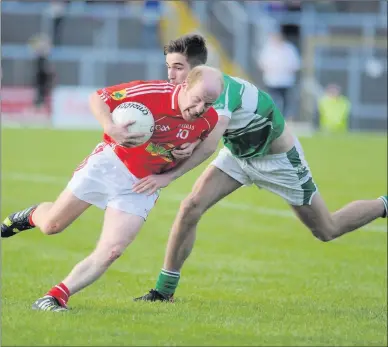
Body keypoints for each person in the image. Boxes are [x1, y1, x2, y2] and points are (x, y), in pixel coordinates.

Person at [132, 34, 387, 302]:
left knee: (327, 229)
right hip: (239, 155)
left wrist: (169, 175)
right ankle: (164, 291)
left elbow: (208, 146)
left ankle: (384, 204)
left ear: (195, 69)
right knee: (190, 207)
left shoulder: (218, 91)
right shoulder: (191, 92)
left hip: (278, 160)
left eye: (177, 67)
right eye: (168, 67)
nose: (170, 75)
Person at [1, 65, 224, 311]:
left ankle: (54, 297)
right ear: (185, 86)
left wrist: (171, 173)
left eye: (208, 103)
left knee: (112, 250)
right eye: (197, 100)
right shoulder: (152, 92)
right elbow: (99, 97)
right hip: (109, 164)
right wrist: (110, 127)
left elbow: (204, 147)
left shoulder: (209, 119)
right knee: (52, 225)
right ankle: (32, 215)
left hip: (142, 186)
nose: (200, 109)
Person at [257, 31, 300, 120]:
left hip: (286, 81)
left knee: (285, 100)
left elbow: (295, 64)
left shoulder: (289, 49)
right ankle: (271, 116)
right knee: (272, 98)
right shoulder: (268, 49)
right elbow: (262, 63)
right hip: (271, 80)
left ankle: (283, 117)